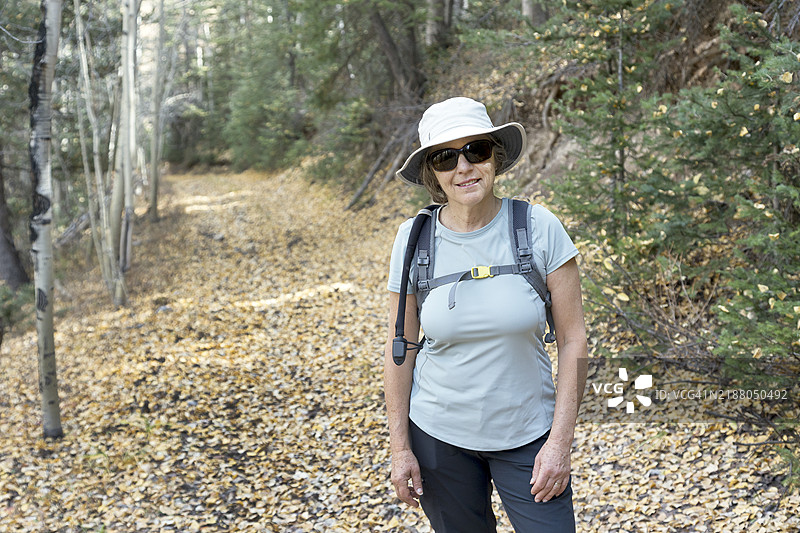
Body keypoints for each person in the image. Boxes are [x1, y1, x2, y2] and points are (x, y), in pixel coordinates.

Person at [384, 97, 588, 532]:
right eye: (445, 157)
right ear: (431, 173)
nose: (464, 167)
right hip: (438, 438)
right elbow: (400, 347)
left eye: (475, 150)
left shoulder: (538, 227)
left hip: (530, 435)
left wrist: (560, 442)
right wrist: (400, 447)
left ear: (494, 156)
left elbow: (574, 341)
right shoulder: (413, 239)